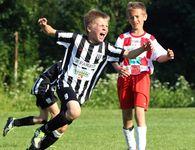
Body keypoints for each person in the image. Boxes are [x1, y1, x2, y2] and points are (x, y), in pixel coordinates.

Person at [27, 8, 153, 150]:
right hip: (66, 83)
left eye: (106, 26)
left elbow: (129, 54)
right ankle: (41, 131)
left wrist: (143, 49)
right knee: (74, 111)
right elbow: (52, 32)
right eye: (101, 25)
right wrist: (44, 26)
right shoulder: (75, 39)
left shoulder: (107, 48)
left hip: (82, 94)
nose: (105, 28)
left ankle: (34, 149)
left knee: (62, 128)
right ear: (89, 27)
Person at [112, 2, 174, 150]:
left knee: (139, 111)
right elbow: (113, 59)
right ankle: (132, 148)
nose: (135, 20)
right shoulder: (122, 38)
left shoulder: (150, 39)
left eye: (138, 16)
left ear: (144, 17)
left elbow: (159, 56)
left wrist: (168, 56)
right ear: (128, 19)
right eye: (131, 17)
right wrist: (119, 68)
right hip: (125, 78)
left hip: (142, 77)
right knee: (127, 117)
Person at [3, 61, 68, 144]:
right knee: (56, 116)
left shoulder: (67, 63)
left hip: (44, 88)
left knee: (42, 119)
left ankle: (13, 122)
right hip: (43, 88)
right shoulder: (64, 63)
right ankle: (41, 139)